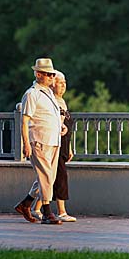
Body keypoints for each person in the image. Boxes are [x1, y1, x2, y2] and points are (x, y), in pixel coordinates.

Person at [14, 58, 63, 225]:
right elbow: (25, 120)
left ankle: (26, 203)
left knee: (49, 176)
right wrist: (26, 143)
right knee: (46, 176)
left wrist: (60, 127)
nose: (51, 77)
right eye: (48, 74)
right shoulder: (31, 94)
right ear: (38, 74)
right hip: (39, 140)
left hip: (53, 140)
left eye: (52, 74)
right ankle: (47, 212)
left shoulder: (48, 93)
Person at [31, 70, 76, 222]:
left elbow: (65, 125)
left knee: (48, 178)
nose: (63, 86)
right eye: (59, 83)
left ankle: (33, 207)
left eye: (64, 83)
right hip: (51, 141)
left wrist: (69, 147)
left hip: (62, 143)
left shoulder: (61, 101)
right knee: (56, 177)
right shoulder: (45, 99)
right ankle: (60, 211)